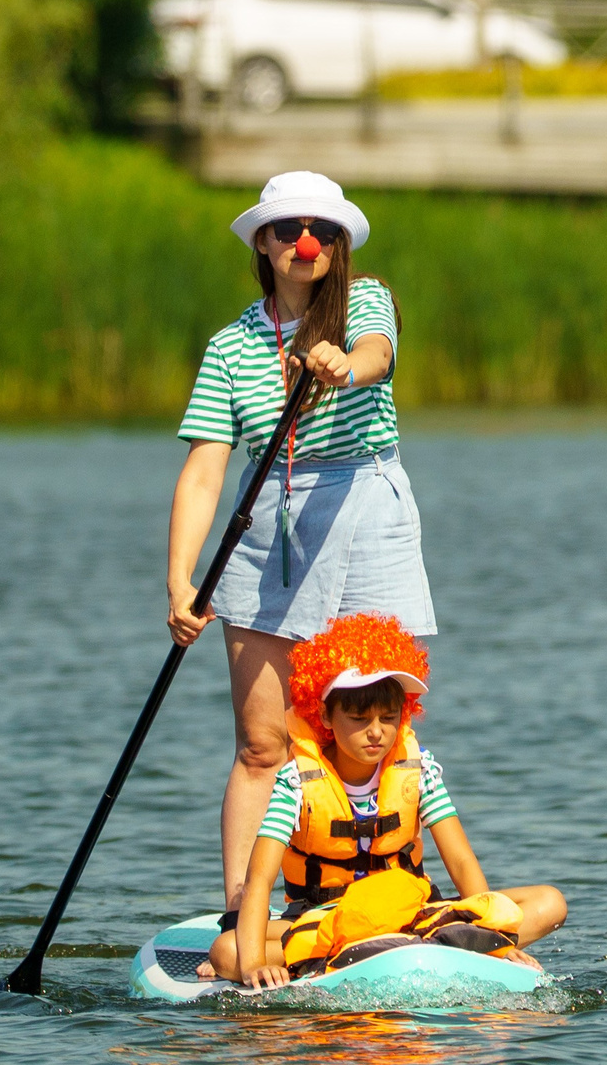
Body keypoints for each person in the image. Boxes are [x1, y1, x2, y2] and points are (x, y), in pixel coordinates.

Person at [169, 170, 439, 912]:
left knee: (372, 731)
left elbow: (376, 352)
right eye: (286, 229)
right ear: (263, 241)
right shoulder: (230, 348)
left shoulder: (364, 300)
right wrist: (181, 581)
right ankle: (242, 908)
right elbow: (202, 474)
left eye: (319, 230)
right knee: (264, 743)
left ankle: (383, 894)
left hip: (365, 511)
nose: (305, 243)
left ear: (339, 243)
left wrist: (343, 367)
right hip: (270, 525)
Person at [208, 613, 566, 989]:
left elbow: (460, 861)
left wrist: (493, 938)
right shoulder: (295, 782)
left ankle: (405, 947)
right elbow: (260, 878)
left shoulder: (419, 771)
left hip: (411, 913)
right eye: (359, 718)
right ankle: (410, 950)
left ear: (404, 713)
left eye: (389, 717)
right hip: (331, 924)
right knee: (227, 952)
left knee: (550, 902)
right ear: (326, 715)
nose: (376, 732)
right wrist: (253, 966)